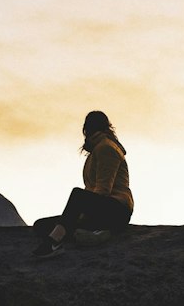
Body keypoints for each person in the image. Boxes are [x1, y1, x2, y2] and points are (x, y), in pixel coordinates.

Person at [32, 111, 133, 259]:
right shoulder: (97, 149)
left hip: (117, 209)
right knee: (41, 225)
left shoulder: (106, 148)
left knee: (78, 195)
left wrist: (82, 213)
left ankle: (53, 243)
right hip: (101, 210)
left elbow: (103, 190)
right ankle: (97, 232)